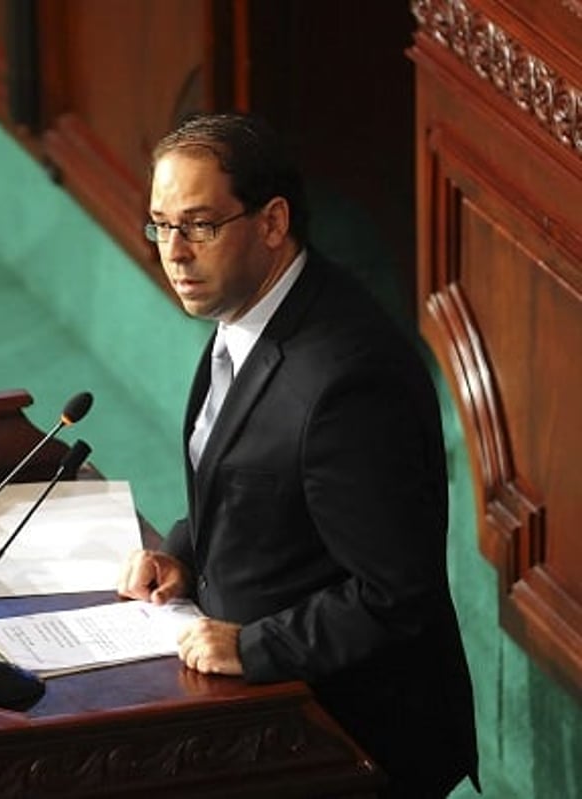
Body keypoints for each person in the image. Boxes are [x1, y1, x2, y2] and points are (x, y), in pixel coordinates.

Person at [117, 111, 478, 797]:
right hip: (259, 707)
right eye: (161, 224)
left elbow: (396, 592)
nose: (174, 251)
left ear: (272, 223)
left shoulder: (347, 379)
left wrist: (250, 648)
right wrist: (183, 555)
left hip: (342, 735)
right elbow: (256, 487)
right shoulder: (247, 313)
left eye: (198, 224)